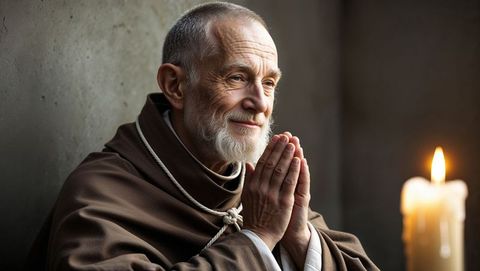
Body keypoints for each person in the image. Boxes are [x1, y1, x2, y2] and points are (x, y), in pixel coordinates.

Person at [28, 2, 379, 270]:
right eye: (237, 77)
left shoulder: (259, 185)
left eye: (269, 83)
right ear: (175, 86)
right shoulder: (100, 191)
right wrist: (256, 240)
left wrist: (298, 236)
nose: (260, 103)